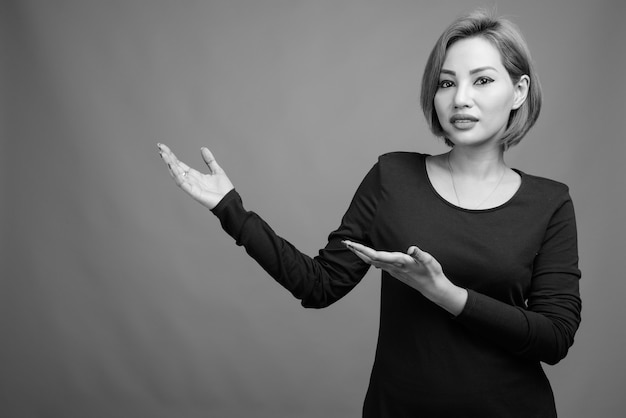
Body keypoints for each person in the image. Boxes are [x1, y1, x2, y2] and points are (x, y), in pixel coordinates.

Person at [158, 9, 581, 417]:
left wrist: (444, 293)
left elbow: (555, 338)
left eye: (482, 80)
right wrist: (228, 207)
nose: (460, 98)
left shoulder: (550, 203)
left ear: (519, 91)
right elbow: (318, 285)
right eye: (446, 83)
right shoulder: (392, 177)